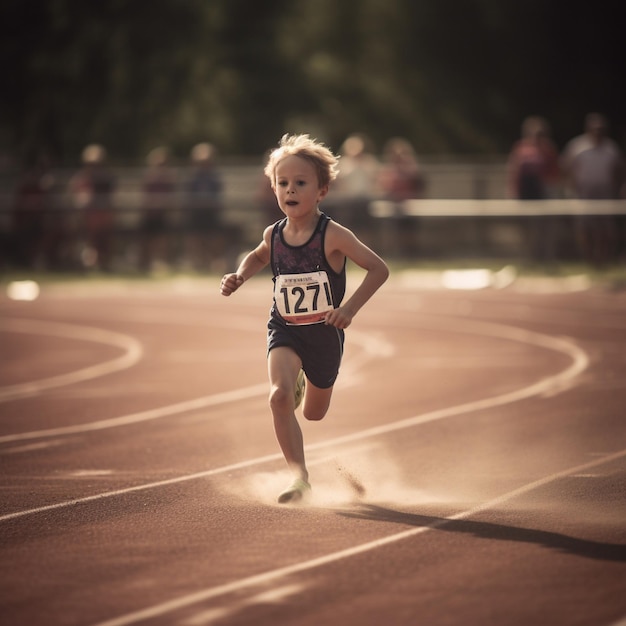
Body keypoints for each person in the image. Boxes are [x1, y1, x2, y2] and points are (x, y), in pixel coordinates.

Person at [220, 134, 389, 504]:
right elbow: (258, 255)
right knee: (278, 398)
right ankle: (299, 477)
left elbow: (378, 269)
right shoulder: (274, 234)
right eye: (282, 183)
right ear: (273, 189)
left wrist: (348, 309)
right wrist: (239, 275)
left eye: (300, 183)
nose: (290, 190)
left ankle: (302, 383)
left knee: (314, 414)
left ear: (321, 191)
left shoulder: (333, 235)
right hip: (284, 328)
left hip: (324, 335)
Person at [561, 113, 625, 266]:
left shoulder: (611, 148)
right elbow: (566, 167)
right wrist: (571, 187)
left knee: (605, 227)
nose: (598, 132)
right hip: (584, 192)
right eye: (595, 129)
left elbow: (619, 170)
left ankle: (604, 259)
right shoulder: (578, 147)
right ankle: (589, 259)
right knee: (584, 227)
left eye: (601, 129)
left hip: (605, 192)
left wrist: (616, 188)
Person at [506, 116, 560, 263]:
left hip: (542, 194)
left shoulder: (548, 149)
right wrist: (513, 191)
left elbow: (554, 173)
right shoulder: (521, 148)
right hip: (525, 193)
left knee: (543, 228)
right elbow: (514, 170)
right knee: (525, 227)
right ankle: (528, 258)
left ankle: (544, 258)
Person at [139, 147, 177, 274]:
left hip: (163, 214)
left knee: (163, 240)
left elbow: (172, 197)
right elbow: (145, 196)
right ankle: (147, 265)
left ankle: (162, 264)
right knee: (148, 239)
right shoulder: (149, 177)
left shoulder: (169, 179)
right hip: (150, 214)